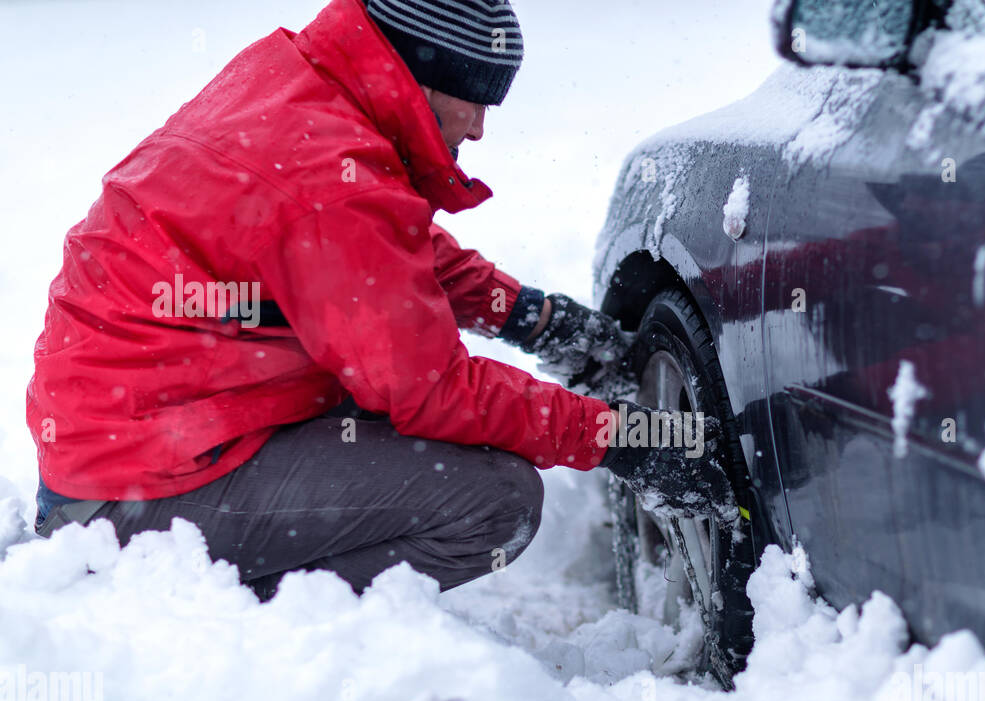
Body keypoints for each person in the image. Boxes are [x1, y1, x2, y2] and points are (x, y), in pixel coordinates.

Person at [26, 0, 733, 599]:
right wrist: (620, 440)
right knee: (496, 502)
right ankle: (214, 614)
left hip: (124, 445)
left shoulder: (296, 85)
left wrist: (532, 319)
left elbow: (374, 260)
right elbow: (435, 390)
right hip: (142, 491)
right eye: (477, 96)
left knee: (379, 403)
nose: (482, 127)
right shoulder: (334, 185)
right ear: (424, 73)